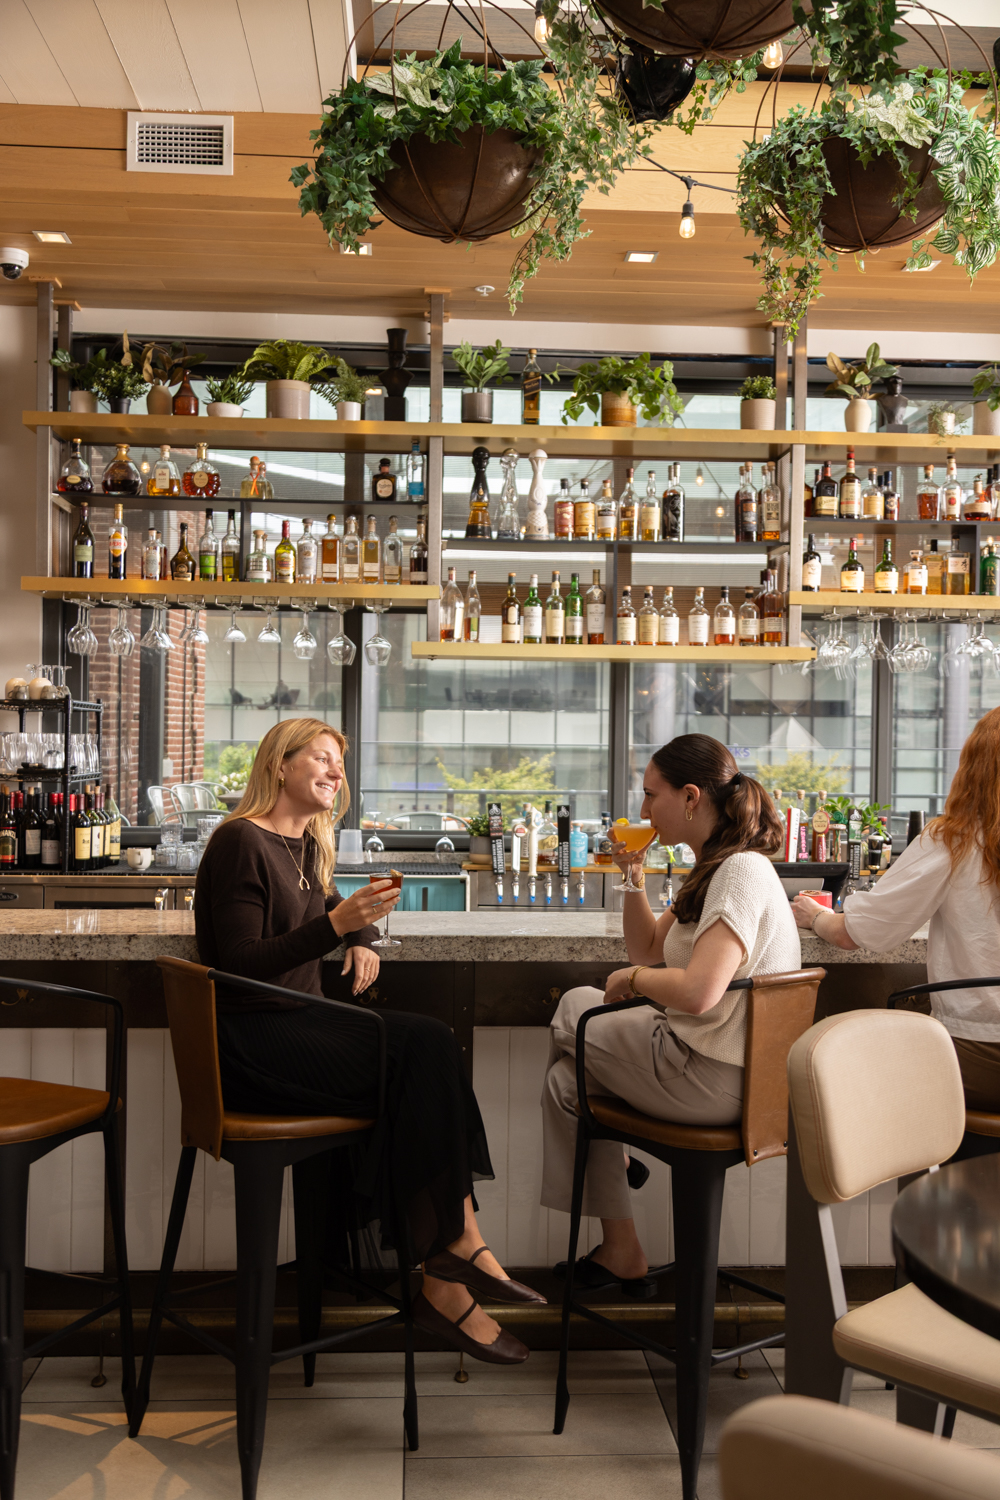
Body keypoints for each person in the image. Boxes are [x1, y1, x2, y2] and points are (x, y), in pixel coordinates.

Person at [195, 717, 543, 1364]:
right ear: (279, 765)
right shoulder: (241, 841)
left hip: (301, 1024)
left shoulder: (304, 843)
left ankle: (449, 1264)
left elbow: (334, 907)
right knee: (423, 1046)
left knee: (427, 1044)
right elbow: (241, 961)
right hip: (254, 1040)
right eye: (321, 759)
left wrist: (361, 939)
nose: (336, 773)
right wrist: (337, 929)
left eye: (340, 764)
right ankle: (451, 1257)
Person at [541, 735, 800, 1292]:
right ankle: (621, 1247)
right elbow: (648, 949)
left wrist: (630, 982)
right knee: (567, 1085)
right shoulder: (714, 867)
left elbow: (699, 991)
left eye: (649, 795)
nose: (640, 811)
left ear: (689, 797)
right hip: (711, 1065)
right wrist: (633, 876)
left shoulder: (738, 874)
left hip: (714, 1076)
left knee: (572, 1007)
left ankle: (614, 1158)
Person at [793, 706, 1000, 1112]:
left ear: (973, 767)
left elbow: (858, 934)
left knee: (840, 1057)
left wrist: (816, 915)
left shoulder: (954, 839)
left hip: (981, 1050)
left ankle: (915, 1165)